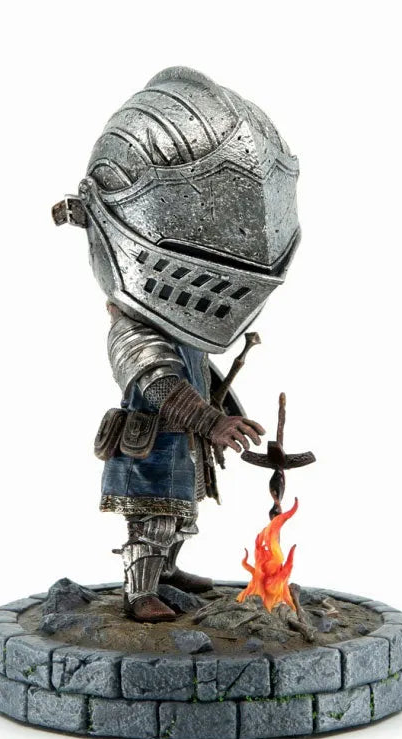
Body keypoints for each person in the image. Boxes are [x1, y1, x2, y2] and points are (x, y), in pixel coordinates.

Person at [54, 66, 301, 621]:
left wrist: (224, 411)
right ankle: (140, 590)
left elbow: (195, 373)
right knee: (154, 517)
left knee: (182, 511)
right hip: (155, 441)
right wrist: (211, 422)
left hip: (182, 442)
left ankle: (167, 572)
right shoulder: (135, 326)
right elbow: (161, 382)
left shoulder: (183, 323)